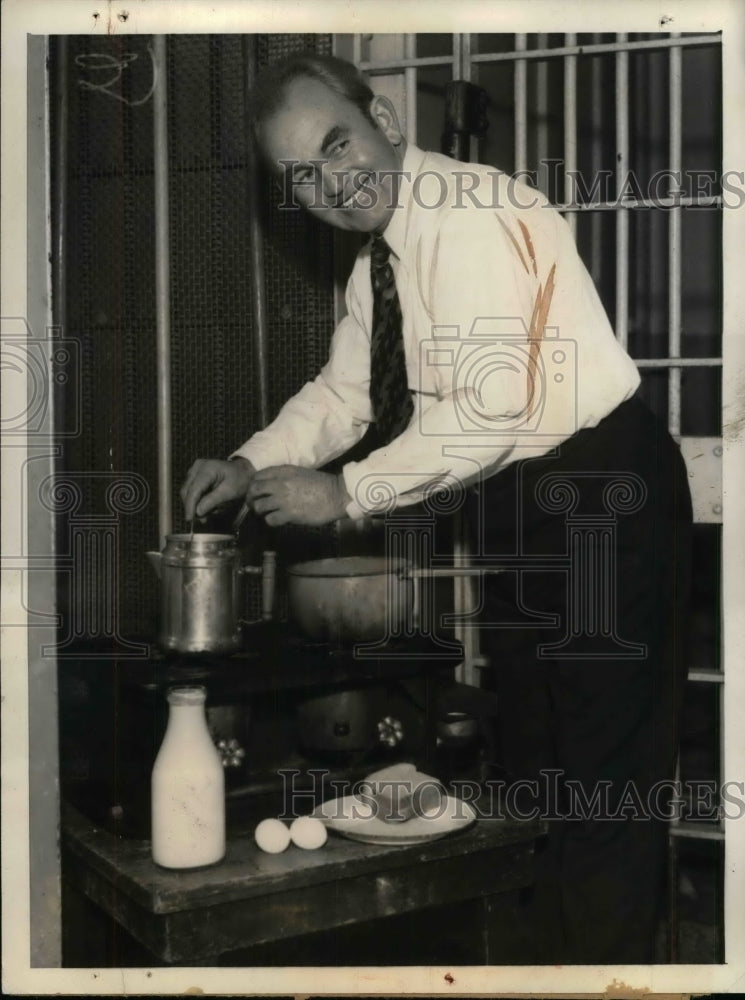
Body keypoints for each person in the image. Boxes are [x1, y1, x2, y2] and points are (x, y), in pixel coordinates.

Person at [180, 53, 692, 964]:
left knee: (604, 786)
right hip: (529, 510)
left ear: (384, 115)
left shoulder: (468, 215)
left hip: (600, 502)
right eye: (301, 175)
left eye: (336, 146)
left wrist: (344, 493)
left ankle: (612, 974)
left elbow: (489, 414)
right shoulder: (377, 258)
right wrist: (249, 459)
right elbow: (345, 394)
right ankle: (555, 971)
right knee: (537, 768)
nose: (330, 184)